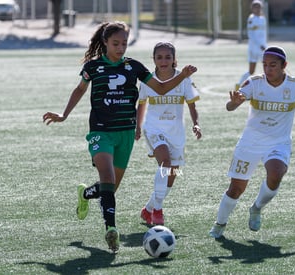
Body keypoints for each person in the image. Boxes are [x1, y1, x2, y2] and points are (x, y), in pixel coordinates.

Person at [42, 21, 197, 253]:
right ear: (105, 42)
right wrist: (64, 114)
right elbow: (80, 89)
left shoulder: (134, 67)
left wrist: (182, 75)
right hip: (100, 131)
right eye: (116, 43)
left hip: (124, 133)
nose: (121, 48)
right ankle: (110, 230)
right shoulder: (93, 66)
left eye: (124, 43)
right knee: (106, 174)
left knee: (109, 189)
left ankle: (85, 194)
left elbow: (161, 88)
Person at [209, 46, 295, 238]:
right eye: (264, 65)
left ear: (284, 66)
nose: (267, 69)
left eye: (273, 65)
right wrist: (234, 103)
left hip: (278, 143)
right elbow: (230, 107)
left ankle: (256, 208)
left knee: (276, 173)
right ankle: (220, 224)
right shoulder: (254, 83)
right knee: (236, 188)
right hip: (250, 142)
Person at [136, 42, 202, 226]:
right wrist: (138, 127)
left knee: (172, 176)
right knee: (165, 162)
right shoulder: (148, 80)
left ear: (174, 59)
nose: (163, 60)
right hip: (154, 129)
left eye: (167, 57)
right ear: (154, 59)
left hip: (176, 132)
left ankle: (148, 208)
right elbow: (141, 104)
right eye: (159, 57)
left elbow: (192, 104)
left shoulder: (184, 79)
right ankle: (157, 210)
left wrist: (196, 124)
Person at [236, 0, 267, 90]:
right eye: (255, 7)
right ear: (252, 8)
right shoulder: (251, 19)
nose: (257, 9)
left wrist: (264, 45)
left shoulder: (263, 19)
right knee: (251, 71)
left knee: (266, 68)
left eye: (259, 7)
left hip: (263, 48)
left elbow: (263, 34)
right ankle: (239, 85)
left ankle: (265, 87)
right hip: (254, 48)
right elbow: (251, 35)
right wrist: (260, 45)